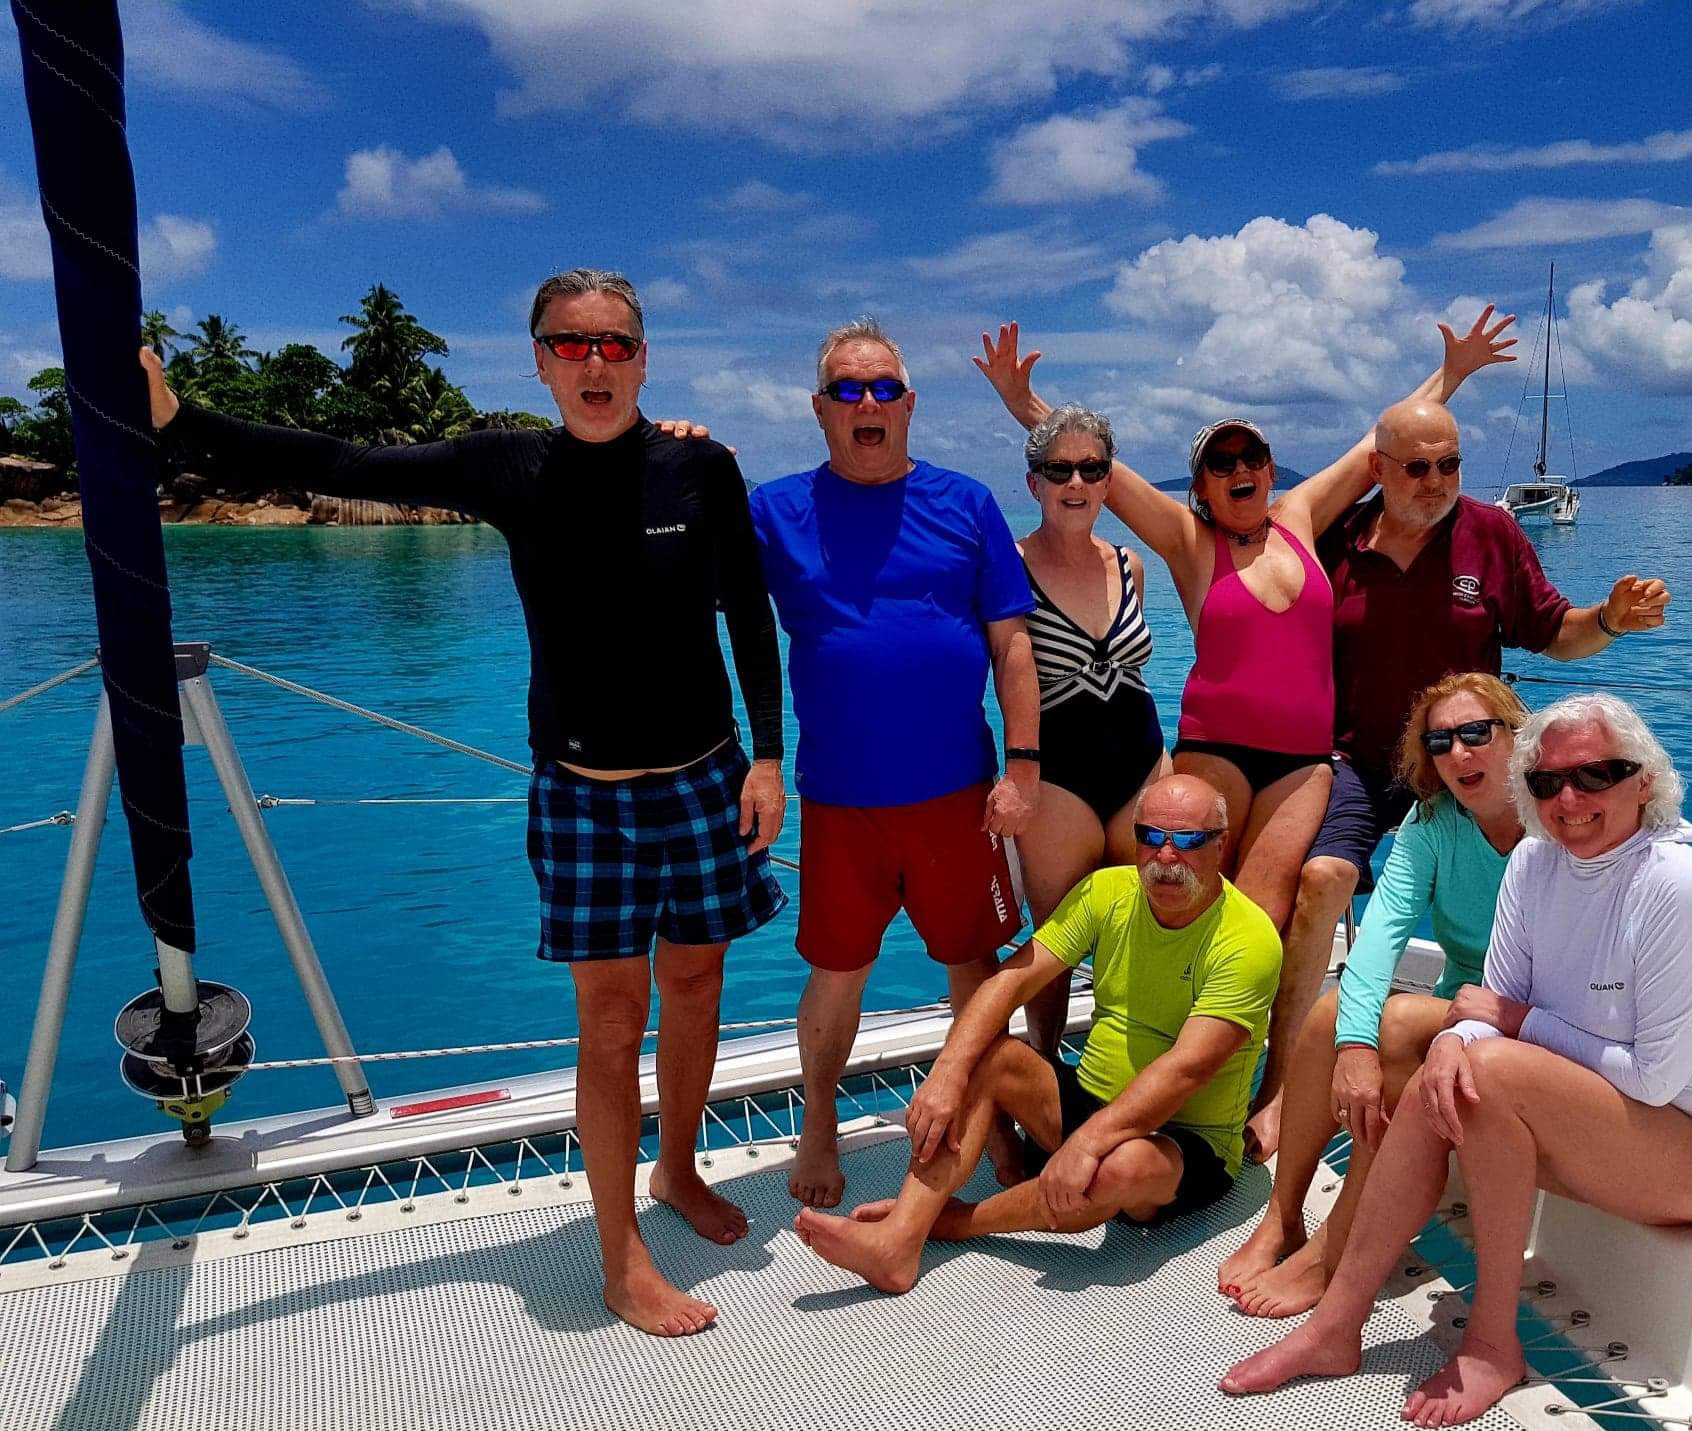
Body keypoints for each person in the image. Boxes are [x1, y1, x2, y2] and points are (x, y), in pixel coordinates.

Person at [139, 268, 786, 1338]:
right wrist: (179, 420)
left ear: (644, 358)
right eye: (571, 343)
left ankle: (677, 1168)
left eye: (615, 344)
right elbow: (339, 461)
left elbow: (749, 615)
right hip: (583, 795)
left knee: (698, 984)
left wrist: (770, 758)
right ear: (539, 360)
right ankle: (619, 1255)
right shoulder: (506, 465)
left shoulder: (700, 466)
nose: (594, 363)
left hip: (708, 777)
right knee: (610, 1020)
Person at [975, 312, 1518, 1159]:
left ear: (1269, 469)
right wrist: (1025, 404)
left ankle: (1259, 1091)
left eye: (1251, 457)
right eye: (1221, 463)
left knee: (1259, 923)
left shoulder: (1301, 514)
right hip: (1212, 753)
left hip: (1301, 762)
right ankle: (1144, 1077)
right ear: (1201, 486)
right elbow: (1097, 470)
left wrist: (1452, 375)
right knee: (1185, 911)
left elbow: (1378, 445)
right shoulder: (1189, 543)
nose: (1240, 470)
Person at [1222, 695, 1692, 1427]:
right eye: (1547, 783)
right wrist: (1454, 1038)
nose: (1569, 799)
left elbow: (1649, 1076)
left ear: (1644, 780)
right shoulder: (1533, 861)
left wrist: (1510, 1023)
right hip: (1616, 1120)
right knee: (1450, 1072)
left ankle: (1492, 1343)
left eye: (1595, 775)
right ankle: (1335, 1325)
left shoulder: (1676, 882)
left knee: (1486, 1071)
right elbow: (1489, 1000)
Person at [1276, 400, 1674, 1161]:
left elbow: (1553, 632)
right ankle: (1289, 1077)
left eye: (1450, 464)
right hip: (1361, 758)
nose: (1435, 481)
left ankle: (1512, 1023)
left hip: (1464, 761)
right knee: (1323, 881)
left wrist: (1610, 620)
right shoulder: (1338, 538)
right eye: (1417, 467)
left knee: (1510, 878)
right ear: (1377, 469)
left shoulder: (1491, 533)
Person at [748, 318, 1040, 1211]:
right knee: (838, 969)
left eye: (882, 388)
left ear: (909, 404)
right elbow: (693, 586)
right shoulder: (774, 511)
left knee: (972, 963)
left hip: (960, 793)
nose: (866, 401)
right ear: (820, 409)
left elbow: (1013, 644)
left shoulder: (967, 503)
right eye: (847, 388)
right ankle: (820, 1119)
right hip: (841, 799)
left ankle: (986, 1115)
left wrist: (1022, 766)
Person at [793, 774, 1281, 1293]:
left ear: (1220, 844)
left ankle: (956, 1222)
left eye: (1187, 840)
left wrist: (1090, 1143)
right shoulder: (1108, 891)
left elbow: (1187, 1070)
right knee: (988, 1053)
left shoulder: (1248, 939)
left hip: (1180, 1145)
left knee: (1123, 1166)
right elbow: (1011, 981)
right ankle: (901, 1238)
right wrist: (947, 1072)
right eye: (1150, 836)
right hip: (1088, 1101)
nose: (1166, 856)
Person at [1218, 673, 1528, 1317]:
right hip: (1457, 1008)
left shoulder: (1558, 823)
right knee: (1332, 1014)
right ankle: (1282, 1217)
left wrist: (1370, 1046)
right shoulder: (1432, 821)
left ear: (1517, 736)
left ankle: (1333, 1251)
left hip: (1525, 1020)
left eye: (1477, 733)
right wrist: (1354, 1047)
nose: (1459, 753)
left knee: (1392, 1034)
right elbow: (1378, 939)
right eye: (1440, 742)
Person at [1011, 403, 1170, 1057]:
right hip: (1057, 775)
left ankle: (1127, 1073)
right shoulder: (1010, 565)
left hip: (1143, 763)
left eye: (1092, 469)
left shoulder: (1130, 564)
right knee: (1054, 942)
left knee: (1146, 930)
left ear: (1108, 480)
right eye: (1059, 470)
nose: (1075, 483)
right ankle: (1044, 1070)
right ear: (1035, 483)